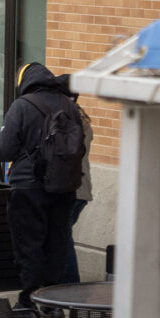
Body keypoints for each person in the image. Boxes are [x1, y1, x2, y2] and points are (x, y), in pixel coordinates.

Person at [0, 62, 82, 318]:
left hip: (27, 186)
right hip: (64, 186)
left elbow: (4, 149)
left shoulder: (22, 105)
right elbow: (81, 146)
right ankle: (52, 303)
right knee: (56, 243)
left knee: (29, 244)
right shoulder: (69, 105)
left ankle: (28, 302)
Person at [57, 74, 94, 284]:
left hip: (72, 188)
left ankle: (71, 285)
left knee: (62, 238)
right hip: (81, 189)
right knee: (62, 236)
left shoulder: (68, 121)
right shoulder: (81, 118)